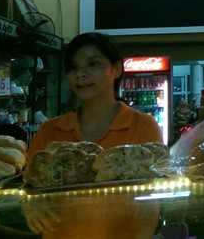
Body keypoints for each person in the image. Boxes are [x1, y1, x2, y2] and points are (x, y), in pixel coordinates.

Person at [23, 32, 162, 238]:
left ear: (116, 69)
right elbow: (29, 188)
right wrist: (31, 203)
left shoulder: (143, 126)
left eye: (93, 64)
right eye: (73, 67)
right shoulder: (49, 131)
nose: (80, 74)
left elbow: (151, 201)